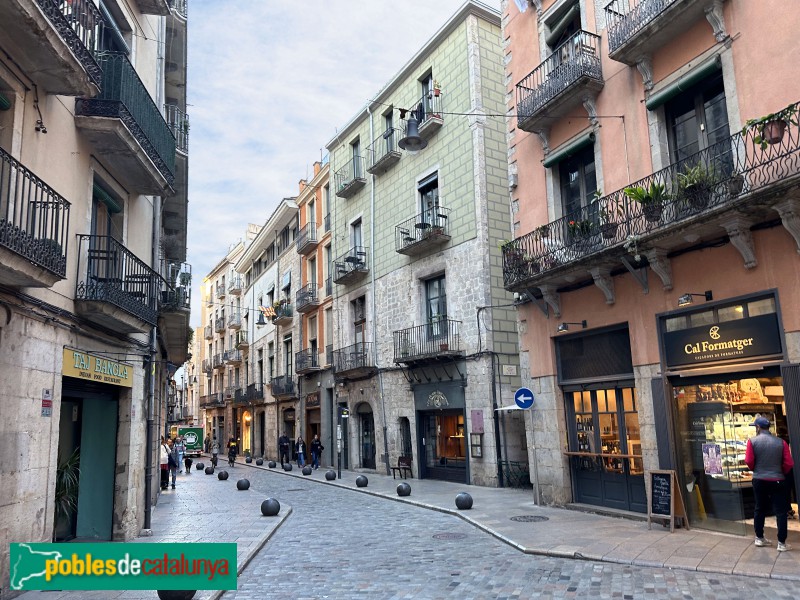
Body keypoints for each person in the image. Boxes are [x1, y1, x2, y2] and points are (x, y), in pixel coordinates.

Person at [745, 416, 794, 551]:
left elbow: (749, 461)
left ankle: (759, 538)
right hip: (777, 479)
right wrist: (780, 472)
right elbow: (789, 463)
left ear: (758, 427)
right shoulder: (781, 442)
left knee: (759, 508)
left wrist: (756, 469)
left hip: (759, 479)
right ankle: (781, 543)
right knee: (781, 511)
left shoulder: (752, 441)